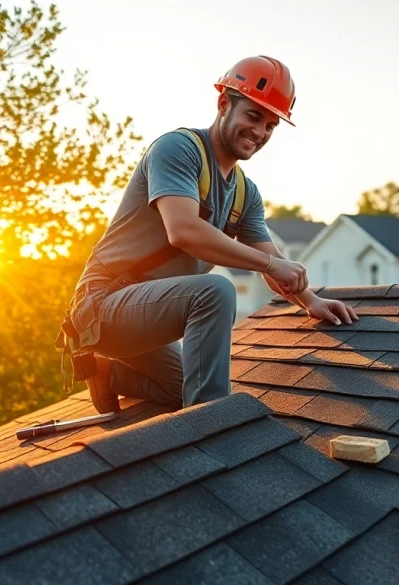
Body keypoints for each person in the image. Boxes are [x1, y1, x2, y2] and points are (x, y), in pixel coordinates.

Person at [63, 55, 359, 414]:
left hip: (148, 318)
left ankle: (109, 374)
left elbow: (273, 262)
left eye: (270, 125)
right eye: (253, 116)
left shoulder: (243, 193)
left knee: (184, 389)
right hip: (104, 306)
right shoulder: (178, 149)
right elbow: (184, 231)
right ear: (224, 104)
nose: (260, 132)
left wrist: (310, 301)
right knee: (216, 291)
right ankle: (209, 426)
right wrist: (270, 264)